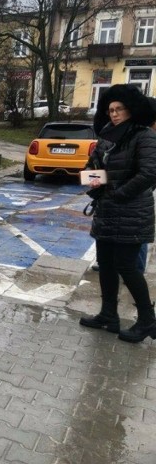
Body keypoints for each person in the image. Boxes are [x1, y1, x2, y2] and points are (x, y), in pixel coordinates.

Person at [79, 84, 156, 343]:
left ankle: (147, 320)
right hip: (107, 212)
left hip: (131, 212)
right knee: (107, 267)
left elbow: (149, 173)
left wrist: (118, 193)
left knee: (128, 267)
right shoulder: (106, 136)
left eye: (119, 109)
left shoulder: (143, 136)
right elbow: (92, 168)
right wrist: (91, 182)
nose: (114, 114)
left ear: (131, 110)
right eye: (110, 109)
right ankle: (108, 315)